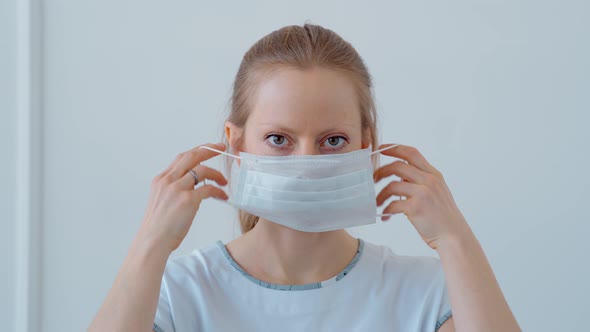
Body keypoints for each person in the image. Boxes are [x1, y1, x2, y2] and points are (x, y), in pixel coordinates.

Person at [89, 23, 520, 332]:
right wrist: (151, 244)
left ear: (367, 145)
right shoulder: (178, 294)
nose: (306, 162)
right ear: (235, 145)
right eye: (279, 138)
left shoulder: (426, 294)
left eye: (333, 140)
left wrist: (455, 239)